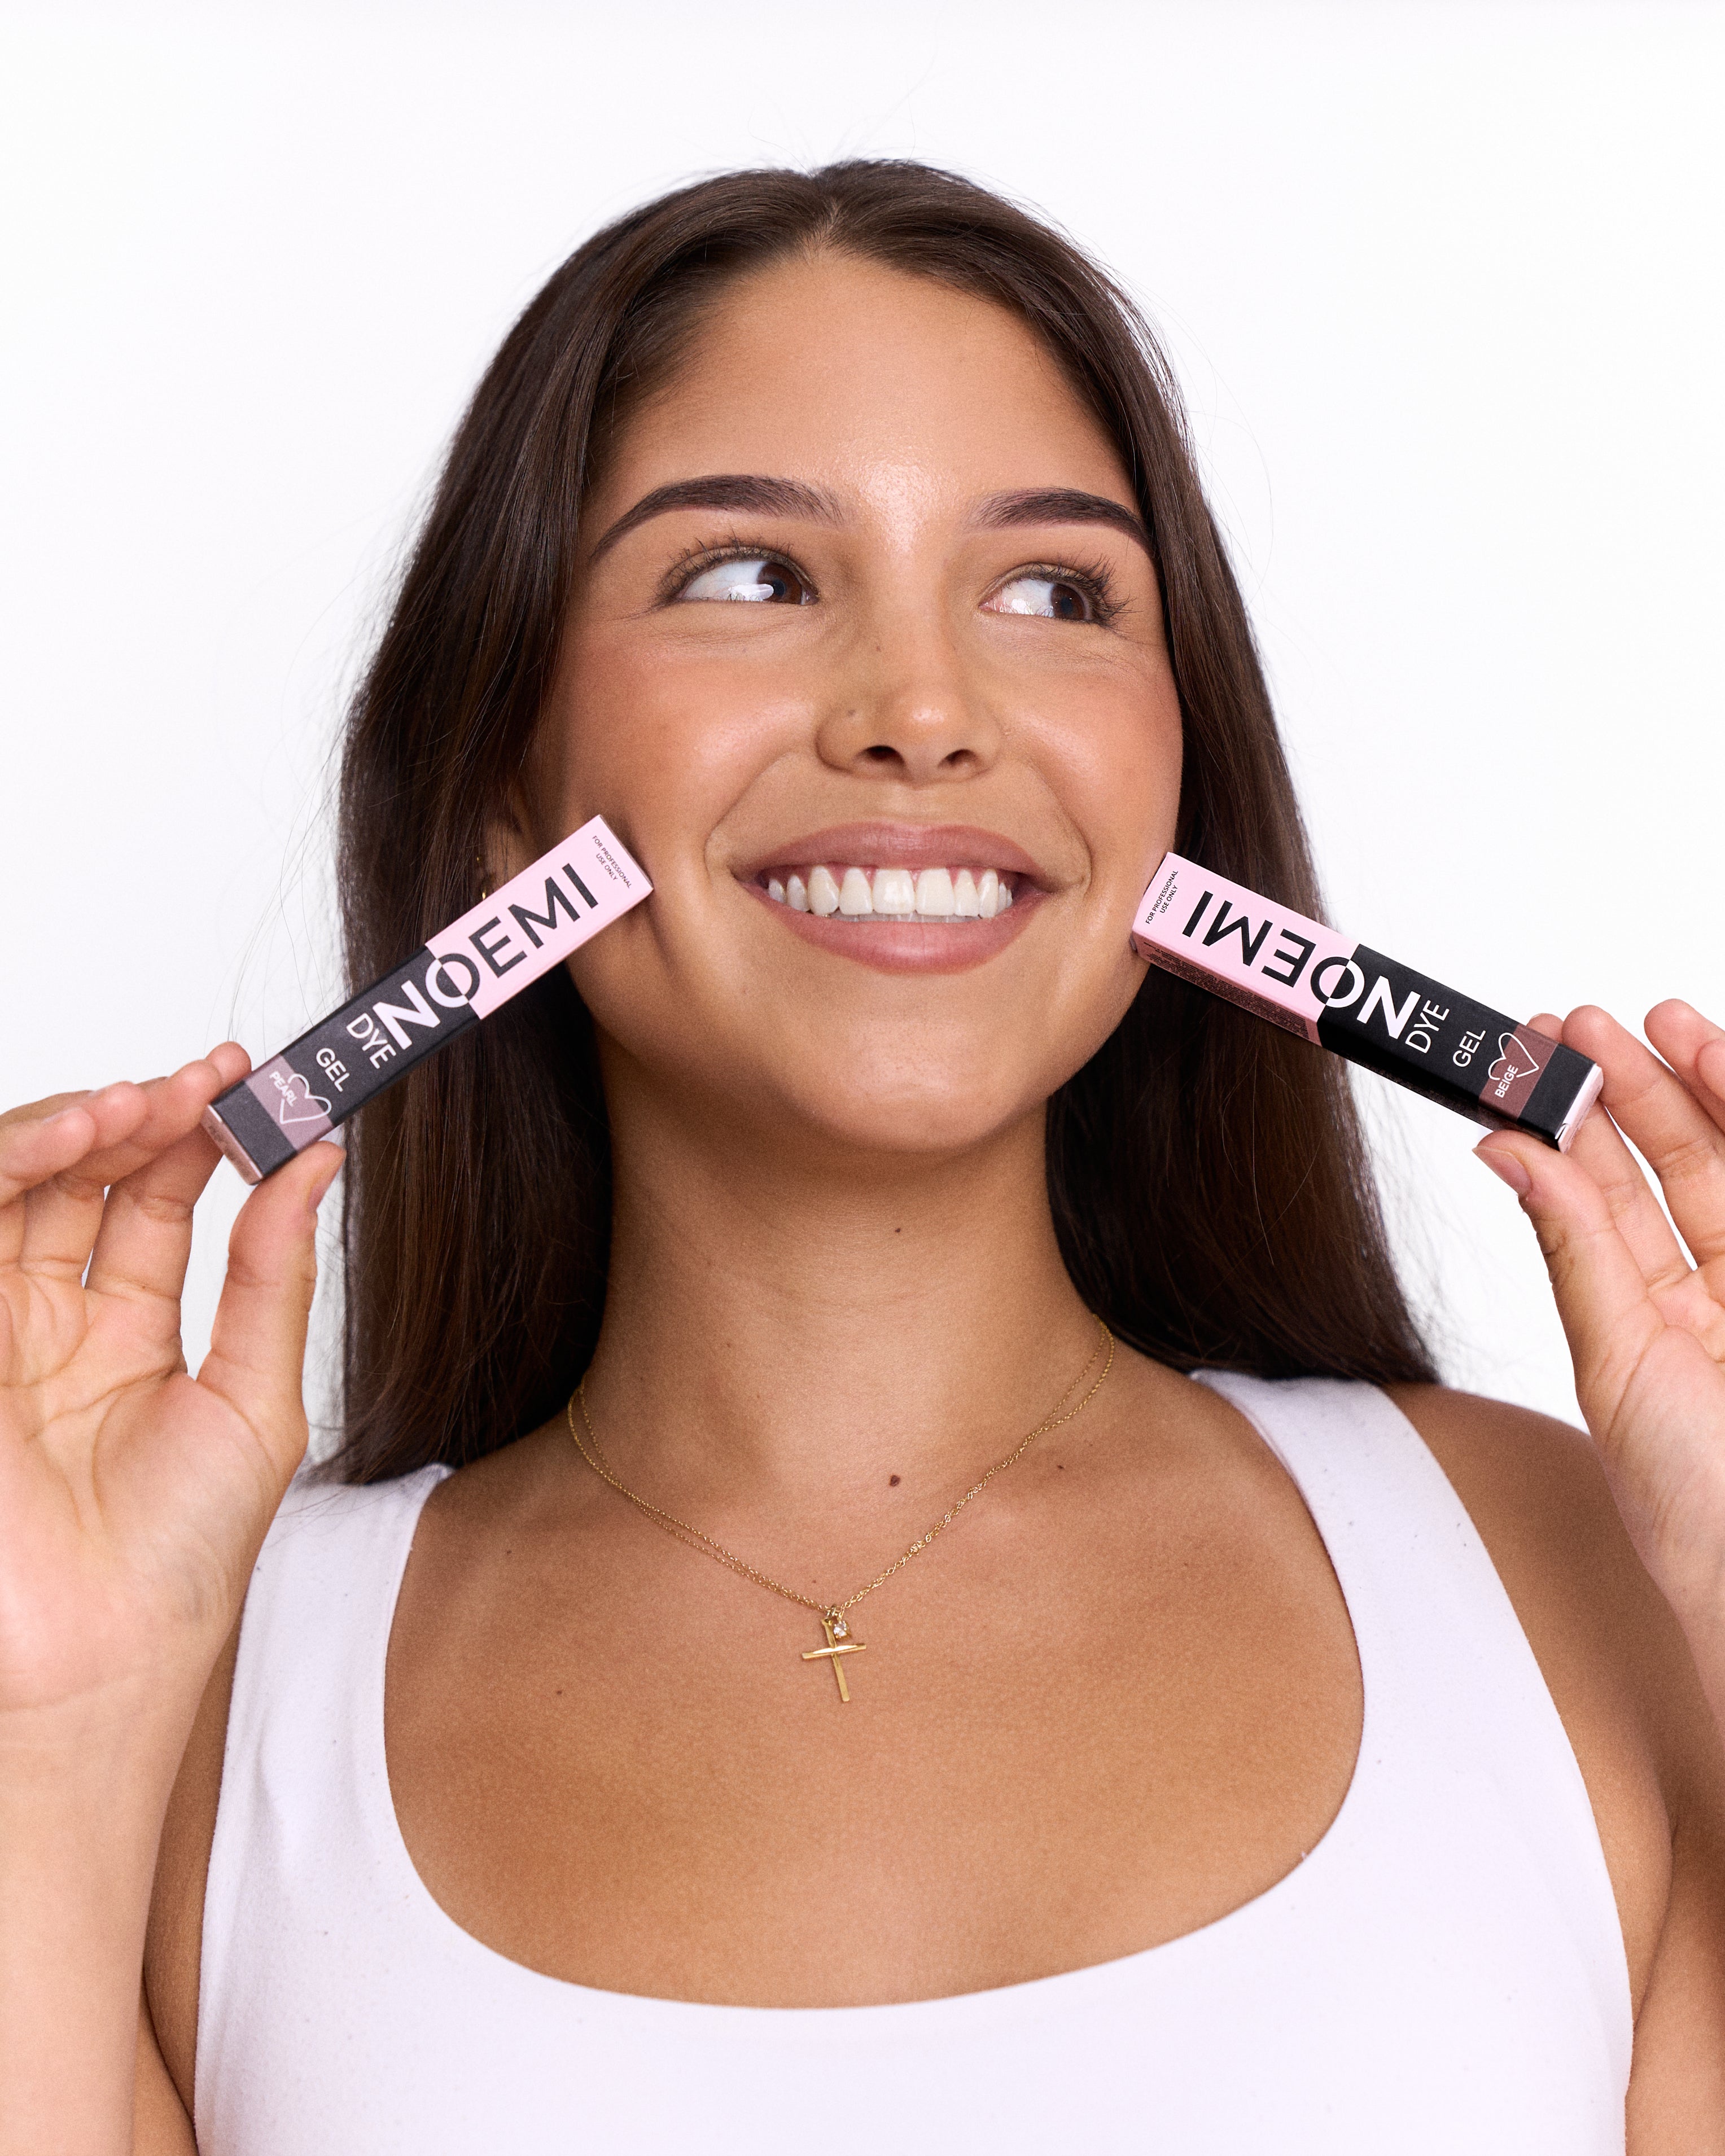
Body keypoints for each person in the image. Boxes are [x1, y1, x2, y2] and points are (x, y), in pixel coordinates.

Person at [3, 161, 1722, 2155]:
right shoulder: (197, 1717)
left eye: (1056, 592)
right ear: (502, 789)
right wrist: (39, 1742)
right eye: (748, 575)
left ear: (1176, 782)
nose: (923, 710)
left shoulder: (1579, 1581)